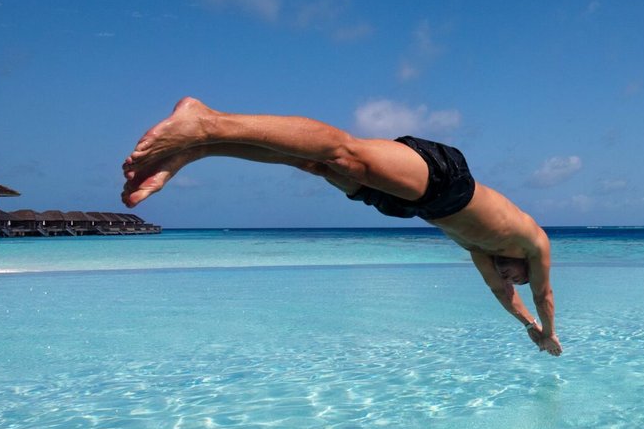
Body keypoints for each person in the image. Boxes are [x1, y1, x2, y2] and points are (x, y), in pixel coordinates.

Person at [120, 97, 560, 355]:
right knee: (342, 153)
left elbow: (502, 295)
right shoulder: (532, 240)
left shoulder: (482, 250)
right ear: (525, 264)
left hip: (412, 204)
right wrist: (551, 332)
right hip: (446, 179)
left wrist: (529, 329)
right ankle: (206, 121)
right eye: (519, 276)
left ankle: (201, 148)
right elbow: (543, 293)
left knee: (314, 165)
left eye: (515, 280)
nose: (513, 280)